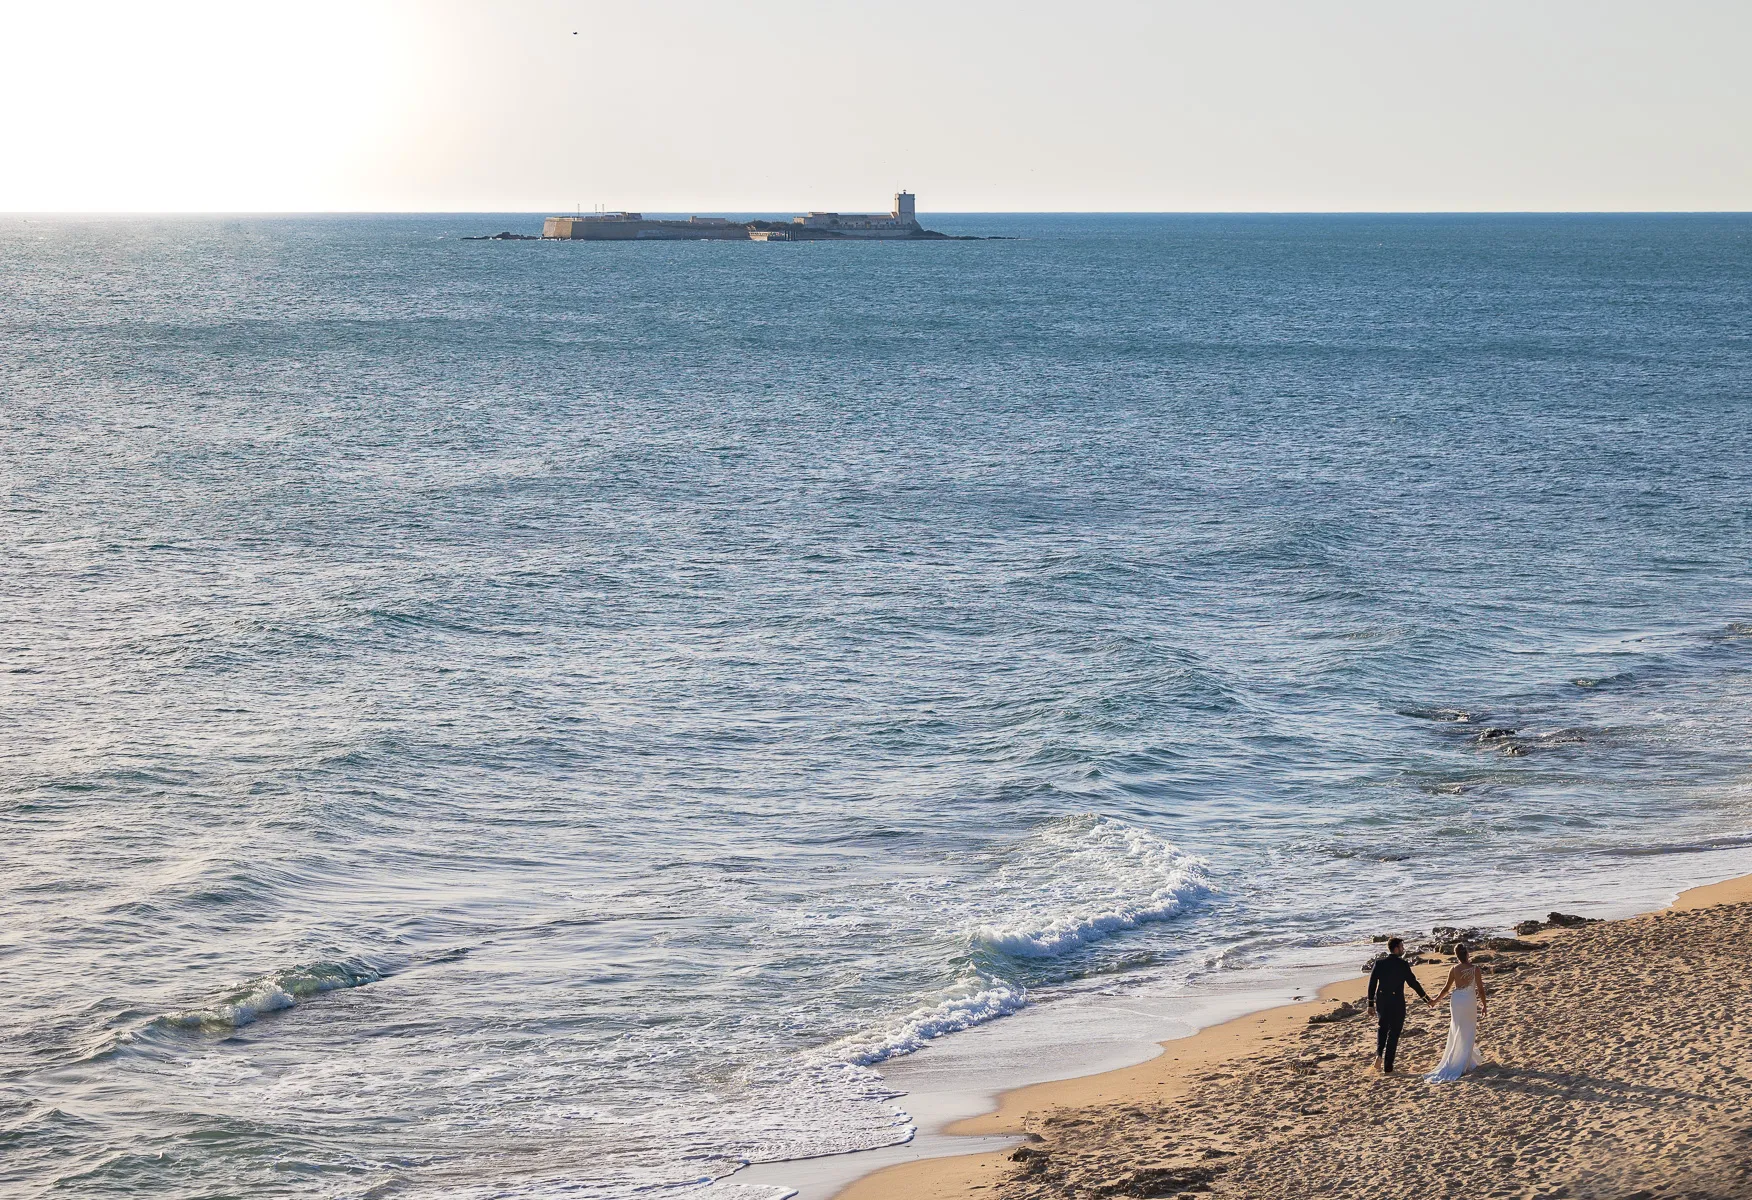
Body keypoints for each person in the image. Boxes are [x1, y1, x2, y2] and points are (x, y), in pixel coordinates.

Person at [1366, 937, 1430, 1073]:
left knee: (1382, 1028)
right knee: (1394, 1033)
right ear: (1396, 948)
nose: (1403, 949)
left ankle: (1378, 1055)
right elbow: (1413, 983)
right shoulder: (1402, 965)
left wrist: (1370, 1003)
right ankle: (1388, 1066)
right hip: (1397, 1002)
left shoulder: (1379, 963)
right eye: (1402, 947)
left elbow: (1372, 984)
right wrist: (1426, 999)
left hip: (1382, 1000)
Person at [1425, 942, 1487, 1082]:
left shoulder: (1453, 969)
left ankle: (1461, 1058)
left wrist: (1435, 1000)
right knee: (1468, 1029)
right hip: (1469, 1001)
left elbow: (1446, 989)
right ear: (1467, 954)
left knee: (1457, 1028)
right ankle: (1462, 1061)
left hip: (1457, 1000)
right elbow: (1481, 990)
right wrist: (1484, 1005)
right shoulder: (1475, 969)